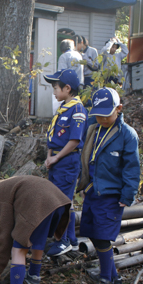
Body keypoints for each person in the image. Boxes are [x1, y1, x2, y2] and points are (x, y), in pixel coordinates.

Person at [76, 88, 140, 284]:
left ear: (119, 109)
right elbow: (86, 160)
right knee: (93, 233)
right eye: (98, 115)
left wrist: (127, 195)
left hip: (112, 195)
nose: (102, 118)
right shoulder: (94, 130)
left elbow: (132, 167)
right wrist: (84, 186)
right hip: (93, 191)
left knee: (103, 238)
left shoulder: (126, 135)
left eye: (107, 114)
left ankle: (107, 280)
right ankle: (114, 275)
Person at [43, 69, 87, 256]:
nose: (53, 92)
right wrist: (49, 155)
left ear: (67, 88)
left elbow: (74, 141)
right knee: (58, 200)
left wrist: (56, 157)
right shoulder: (63, 108)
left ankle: (64, 240)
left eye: (55, 88)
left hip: (67, 162)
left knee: (61, 203)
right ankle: (73, 241)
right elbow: (53, 137)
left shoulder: (77, 110)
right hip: (56, 162)